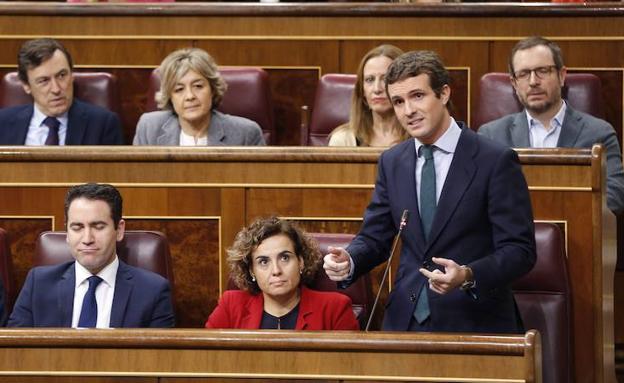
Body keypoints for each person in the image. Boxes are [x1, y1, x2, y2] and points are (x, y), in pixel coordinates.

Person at [323, 50, 536, 333]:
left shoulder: (494, 160)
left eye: (417, 96)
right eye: (398, 101)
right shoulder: (392, 161)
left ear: (444, 93)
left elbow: (520, 251)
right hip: (406, 319)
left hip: (475, 320)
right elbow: (376, 235)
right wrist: (350, 260)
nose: (408, 110)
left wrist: (468, 275)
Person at [478, 36, 624, 216]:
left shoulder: (599, 133)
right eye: (523, 74)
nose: (533, 81)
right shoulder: (491, 135)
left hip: (578, 237)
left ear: (562, 76)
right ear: (514, 84)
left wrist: (559, 210)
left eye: (542, 71)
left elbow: (615, 195)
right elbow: (478, 196)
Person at [8, 183, 175, 328]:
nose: (87, 239)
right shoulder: (39, 284)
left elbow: (157, 361)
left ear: (119, 230)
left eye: (98, 226)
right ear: (67, 232)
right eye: (77, 227)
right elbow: (16, 354)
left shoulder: (152, 291)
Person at [205, 217, 359, 330]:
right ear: (252, 270)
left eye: (285, 258)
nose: (276, 271)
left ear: (301, 261)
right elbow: (207, 360)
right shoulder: (231, 305)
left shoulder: (335, 308)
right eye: (263, 262)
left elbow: (349, 367)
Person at [0, 38, 124, 145]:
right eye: (44, 81)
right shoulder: (3, 123)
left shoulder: (102, 124)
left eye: (62, 75)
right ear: (26, 86)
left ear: (72, 75)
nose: (56, 89)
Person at [133, 48, 265, 146]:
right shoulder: (149, 127)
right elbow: (137, 180)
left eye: (198, 86)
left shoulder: (246, 134)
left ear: (212, 89)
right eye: (179, 89)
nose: (190, 96)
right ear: (170, 97)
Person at [328, 44, 409, 147]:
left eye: (385, 79)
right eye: (369, 80)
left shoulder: (420, 136)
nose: (377, 89)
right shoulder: (344, 140)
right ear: (362, 91)